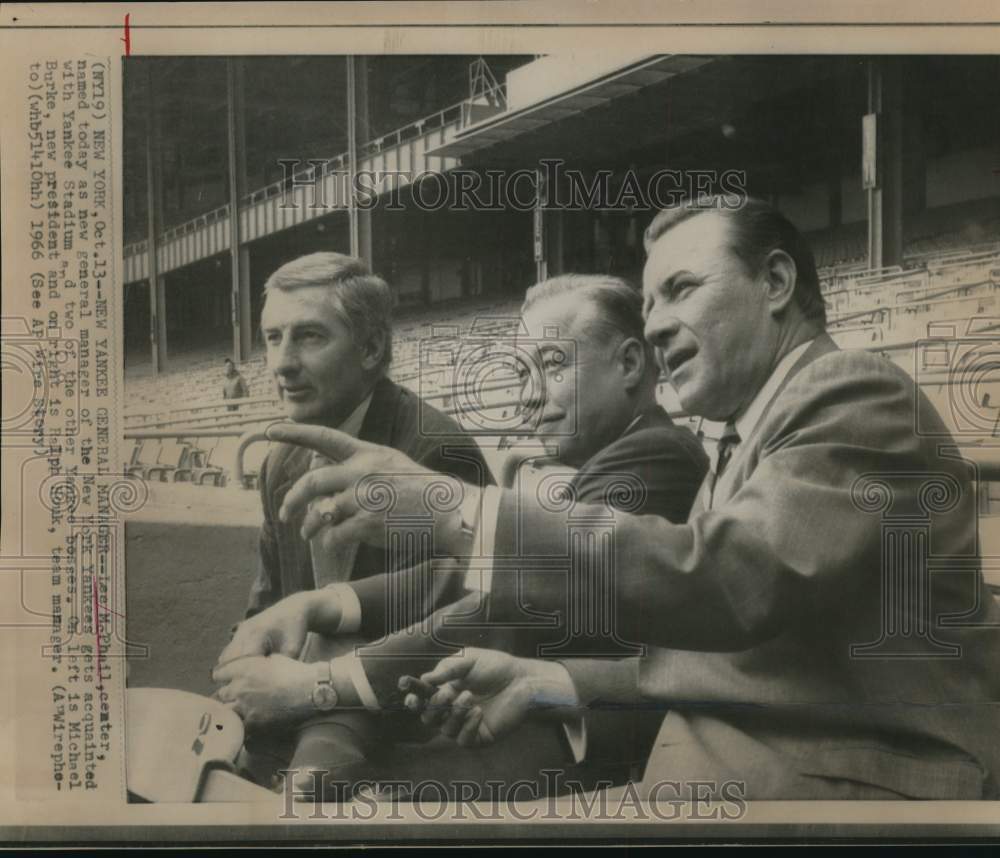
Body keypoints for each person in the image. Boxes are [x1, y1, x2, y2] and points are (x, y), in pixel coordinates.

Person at [259, 197, 1000, 800]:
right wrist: (551, 680)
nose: (654, 322)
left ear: (775, 283)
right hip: (753, 771)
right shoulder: (748, 434)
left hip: (845, 788)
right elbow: (758, 658)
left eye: (681, 288)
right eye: (648, 301)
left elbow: (727, 582)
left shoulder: (853, 391)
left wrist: (459, 511)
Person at [214, 273, 708, 797]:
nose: (529, 397)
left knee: (341, 797)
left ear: (630, 364)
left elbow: (509, 604)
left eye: (554, 365)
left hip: (576, 741)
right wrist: (330, 602)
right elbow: (484, 575)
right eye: (523, 373)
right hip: (519, 713)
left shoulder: (657, 457)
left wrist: (319, 686)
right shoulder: (617, 460)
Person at [219, 251, 492, 791]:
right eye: (273, 338)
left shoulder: (435, 449)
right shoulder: (281, 460)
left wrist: (307, 690)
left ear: (370, 349)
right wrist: (247, 659)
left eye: (309, 337)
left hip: (393, 716)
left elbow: (459, 623)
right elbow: (268, 599)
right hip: (299, 705)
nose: (282, 363)